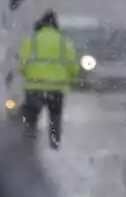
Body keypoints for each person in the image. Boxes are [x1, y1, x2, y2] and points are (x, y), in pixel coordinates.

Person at [16, 10, 79, 149]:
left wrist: (30, 75)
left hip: (34, 87)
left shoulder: (30, 41)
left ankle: (28, 143)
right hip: (56, 89)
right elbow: (73, 66)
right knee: (55, 118)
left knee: (31, 119)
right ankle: (54, 143)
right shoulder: (65, 42)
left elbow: (21, 65)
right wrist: (71, 80)